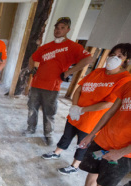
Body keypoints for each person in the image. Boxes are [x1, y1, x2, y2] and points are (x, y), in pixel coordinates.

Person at [42, 43, 131, 175]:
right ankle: (57, 153)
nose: (114, 58)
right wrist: (74, 106)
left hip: (92, 120)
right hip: (76, 113)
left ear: (127, 61)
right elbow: (79, 89)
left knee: (82, 144)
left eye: (119, 56)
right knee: (67, 135)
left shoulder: (124, 79)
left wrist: (82, 110)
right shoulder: (97, 72)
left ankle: (74, 165)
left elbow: (109, 104)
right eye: (112, 55)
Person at [63, 80, 131, 186]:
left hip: (123, 154)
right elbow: (110, 112)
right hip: (103, 140)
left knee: (104, 185)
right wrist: (92, 134)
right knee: (93, 172)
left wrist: (120, 152)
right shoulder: (129, 85)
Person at [26, 17, 93, 145]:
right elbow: (32, 58)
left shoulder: (72, 46)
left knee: (49, 112)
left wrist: (69, 72)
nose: (58, 30)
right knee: (32, 108)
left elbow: (88, 59)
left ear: (68, 29)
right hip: (36, 84)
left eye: (62, 28)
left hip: (52, 86)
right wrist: (32, 70)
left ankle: (48, 135)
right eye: (57, 28)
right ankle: (30, 128)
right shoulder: (46, 47)